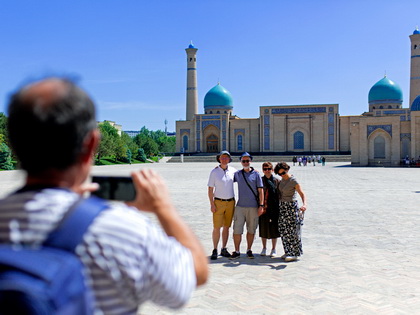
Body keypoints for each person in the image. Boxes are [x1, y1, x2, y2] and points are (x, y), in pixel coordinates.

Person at [0, 78, 208, 314]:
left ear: (13, 144)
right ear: (91, 145)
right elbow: (195, 273)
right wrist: (164, 208)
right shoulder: (121, 230)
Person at [230, 152, 264, 259]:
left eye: (247, 161)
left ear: (251, 161)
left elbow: (260, 191)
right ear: (241, 162)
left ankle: (249, 249)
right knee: (237, 230)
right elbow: (226, 177)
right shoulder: (238, 174)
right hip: (240, 207)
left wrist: (261, 205)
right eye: (243, 161)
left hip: (253, 207)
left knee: (251, 229)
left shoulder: (256, 174)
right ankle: (237, 251)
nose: (245, 163)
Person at [274, 162, 307, 262]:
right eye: (280, 174)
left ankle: (295, 253)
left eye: (283, 173)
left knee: (292, 230)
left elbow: (302, 193)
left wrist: (304, 204)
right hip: (283, 206)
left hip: (291, 206)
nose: (282, 175)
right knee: (283, 229)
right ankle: (288, 251)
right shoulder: (281, 181)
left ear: (287, 169)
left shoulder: (293, 180)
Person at [207, 150, 236, 260]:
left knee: (226, 227)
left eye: (226, 157)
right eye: (222, 157)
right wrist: (212, 204)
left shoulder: (233, 171)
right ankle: (215, 249)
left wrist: (253, 170)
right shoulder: (214, 172)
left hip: (230, 202)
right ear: (219, 159)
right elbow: (210, 189)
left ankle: (224, 248)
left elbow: (244, 175)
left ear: (229, 159)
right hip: (218, 202)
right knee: (216, 227)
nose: (224, 159)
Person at [258, 162, 280, 257]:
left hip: (274, 208)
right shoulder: (260, 180)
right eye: (265, 169)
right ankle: (264, 248)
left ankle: (274, 248)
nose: (267, 171)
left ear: (272, 170)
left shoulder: (276, 181)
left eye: (269, 169)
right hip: (264, 207)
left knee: (274, 228)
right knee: (263, 227)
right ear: (263, 170)